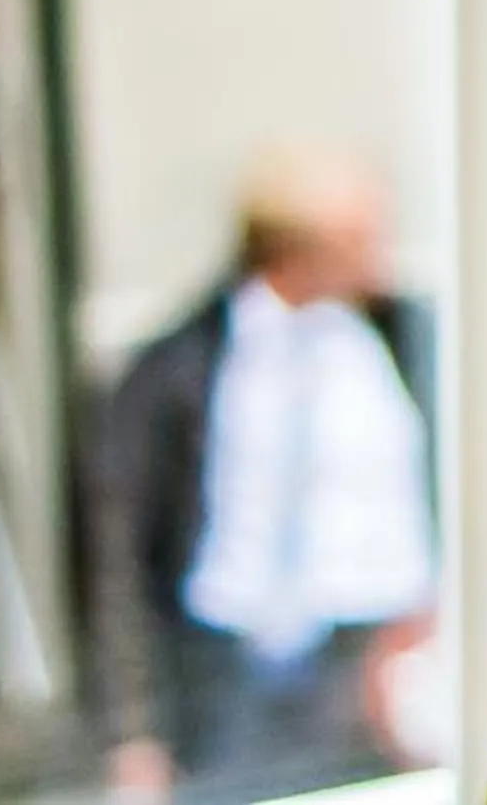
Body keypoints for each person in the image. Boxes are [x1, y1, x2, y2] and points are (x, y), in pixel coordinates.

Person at [93, 144, 436, 801]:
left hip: (376, 651)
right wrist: (133, 731)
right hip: (230, 659)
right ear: (295, 249)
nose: (380, 254)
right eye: (357, 238)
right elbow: (123, 558)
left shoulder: (399, 340)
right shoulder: (182, 369)